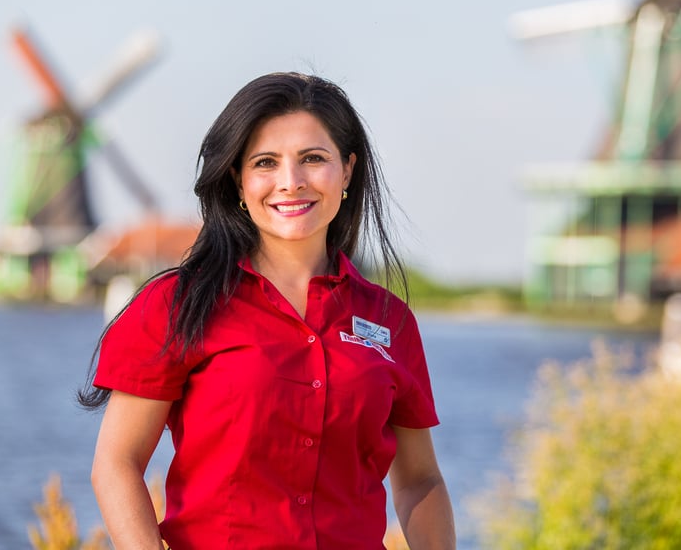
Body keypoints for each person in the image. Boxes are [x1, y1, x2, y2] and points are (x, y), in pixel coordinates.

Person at [79, 72, 455, 549]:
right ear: (238, 178)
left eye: (313, 159)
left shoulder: (390, 321)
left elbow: (421, 480)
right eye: (265, 162)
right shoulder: (179, 305)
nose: (290, 182)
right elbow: (117, 463)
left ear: (347, 170)